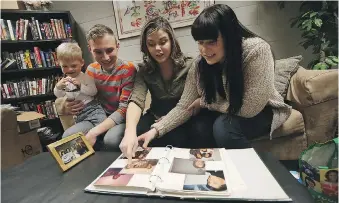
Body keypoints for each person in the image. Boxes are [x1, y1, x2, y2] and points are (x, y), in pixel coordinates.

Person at [138, 4, 292, 149]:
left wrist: (206, 103)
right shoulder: (200, 64)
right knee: (198, 128)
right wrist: (155, 131)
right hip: (228, 109)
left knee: (223, 127)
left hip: (262, 110)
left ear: (228, 36)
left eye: (211, 42)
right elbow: (185, 106)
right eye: (200, 42)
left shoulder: (256, 50)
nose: (204, 50)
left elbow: (249, 108)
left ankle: (247, 171)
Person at [119, 16, 197, 160]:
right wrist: (129, 132)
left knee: (178, 138)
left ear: (172, 41)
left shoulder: (190, 65)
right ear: (145, 46)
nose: (158, 49)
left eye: (163, 42)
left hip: (181, 117)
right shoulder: (143, 70)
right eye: (151, 44)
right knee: (138, 132)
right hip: (155, 115)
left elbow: (189, 105)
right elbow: (136, 100)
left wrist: (166, 121)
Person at [60, 24, 137, 150]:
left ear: (117, 46)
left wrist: (94, 132)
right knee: (68, 137)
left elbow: (124, 110)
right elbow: (85, 96)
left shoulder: (128, 70)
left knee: (111, 139)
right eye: (98, 52)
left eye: (110, 50)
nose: (105, 57)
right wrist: (68, 104)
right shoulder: (91, 69)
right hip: (96, 117)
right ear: (90, 49)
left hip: (120, 120)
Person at [54, 42, 107, 139]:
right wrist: (58, 87)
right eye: (65, 66)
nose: (69, 69)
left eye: (73, 66)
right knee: (82, 136)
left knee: (103, 128)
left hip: (93, 110)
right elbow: (59, 95)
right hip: (79, 114)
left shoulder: (86, 77)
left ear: (82, 63)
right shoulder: (64, 81)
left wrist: (80, 86)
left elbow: (93, 92)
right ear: (59, 64)